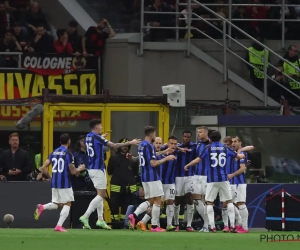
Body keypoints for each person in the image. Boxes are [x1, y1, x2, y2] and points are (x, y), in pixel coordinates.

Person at [79, 119, 141, 230]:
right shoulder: (97, 137)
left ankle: (100, 220)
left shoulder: (88, 136)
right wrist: (130, 142)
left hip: (92, 168)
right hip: (98, 168)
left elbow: (97, 144)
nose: (102, 127)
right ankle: (85, 216)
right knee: (101, 195)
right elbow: (114, 145)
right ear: (97, 127)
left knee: (100, 194)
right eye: (101, 126)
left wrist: (102, 137)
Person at [184, 131, 245, 233]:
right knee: (229, 201)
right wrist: (242, 156)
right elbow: (237, 156)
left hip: (212, 180)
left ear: (210, 139)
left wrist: (188, 165)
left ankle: (212, 226)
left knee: (209, 202)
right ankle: (233, 226)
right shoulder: (225, 148)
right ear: (220, 138)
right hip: (224, 179)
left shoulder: (208, 148)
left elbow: (198, 160)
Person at [33, 133, 86, 232]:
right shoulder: (68, 154)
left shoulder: (53, 153)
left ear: (60, 142)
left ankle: (42, 207)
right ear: (69, 142)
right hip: (64, 182)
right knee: (68, 203)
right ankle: (59, 225)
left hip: (55, 183)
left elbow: (43, 167)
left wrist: (50, 177)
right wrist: (81, 168)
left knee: (58, 204)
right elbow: (73, 172)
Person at [128, 126, 176, 232]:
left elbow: (151, 156)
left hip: (144, 177)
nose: (155, 135)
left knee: (150, 200)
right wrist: (166, 158)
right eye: (155, 134)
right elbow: (153, 163)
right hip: (152, 176)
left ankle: (134, 215)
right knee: (158, 200)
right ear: (152, 134)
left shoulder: (141, 145)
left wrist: (164, 152)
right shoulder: (149, 145)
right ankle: (154, 226)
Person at [107, 138, 139, 222]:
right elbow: (109, 171)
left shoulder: (132, 159)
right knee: (114, 206)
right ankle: (115, 223)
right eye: (123, 145)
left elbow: (136, 172)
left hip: (129, 189)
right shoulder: (114, 158)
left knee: (127, 206)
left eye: (127, 145)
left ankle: (124, 223)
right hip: (116, 188)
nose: (125, 147)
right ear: (120, 146)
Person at [173, 131, 197, 232]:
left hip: (190, 176)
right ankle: (176, 224)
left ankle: (189, 225)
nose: (186, 138)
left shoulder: (194, 147)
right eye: (185, 137)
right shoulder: (177, 146)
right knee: (177, 199)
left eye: (188, 137)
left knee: (189, 196)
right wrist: (179, 148)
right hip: (178, 176)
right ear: (182, 137)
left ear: (191, 138)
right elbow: (167, 145)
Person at [230, 136, 249, 233]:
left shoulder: (243, 153)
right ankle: (239, 224)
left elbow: (242, 169)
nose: (233, 143)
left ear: (240, 142)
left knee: (241, 203)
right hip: (232, 183)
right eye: (232, 142)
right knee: (231, 203)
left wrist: (232, 175)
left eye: (235, 141)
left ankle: (245, 227)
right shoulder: (233, 154)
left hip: (240, 182)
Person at [193, 126, 210, 232]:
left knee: (207, 201)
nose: (198, 134)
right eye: (197, 132)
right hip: (196, 174)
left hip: (206, 175)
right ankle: (206, 223)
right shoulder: (198, 143)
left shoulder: (210, 144)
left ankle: (208, 225)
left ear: (206, 133)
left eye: (200, 132)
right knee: (197, 200)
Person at [160, 135, 179, 231]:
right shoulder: (162, 149)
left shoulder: (178, 151)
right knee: (156, 203)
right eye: (171, 143)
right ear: (167, 143)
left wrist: (179, 147)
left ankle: (169, 224)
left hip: (171, 182)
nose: (173, 145)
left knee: (170, 202)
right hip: (160, 181)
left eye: (175, 144)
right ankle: (149, 222)